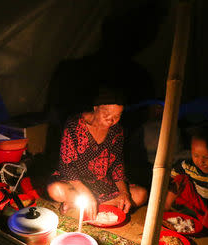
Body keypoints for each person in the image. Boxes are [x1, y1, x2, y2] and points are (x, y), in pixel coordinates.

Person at [47, 87, 148, 220]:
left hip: (102, 182)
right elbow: (66, 165)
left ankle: (78, 204)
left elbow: (117, 165)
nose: (111, 120)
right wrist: (86, 193)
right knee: (55, 190)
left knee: (141, 195)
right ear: (95, 108)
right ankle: (91, 202)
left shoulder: (116, 131)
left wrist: (124, 193)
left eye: (117, 116)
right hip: (74, 181)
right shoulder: (74, 125)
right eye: (106, 114)